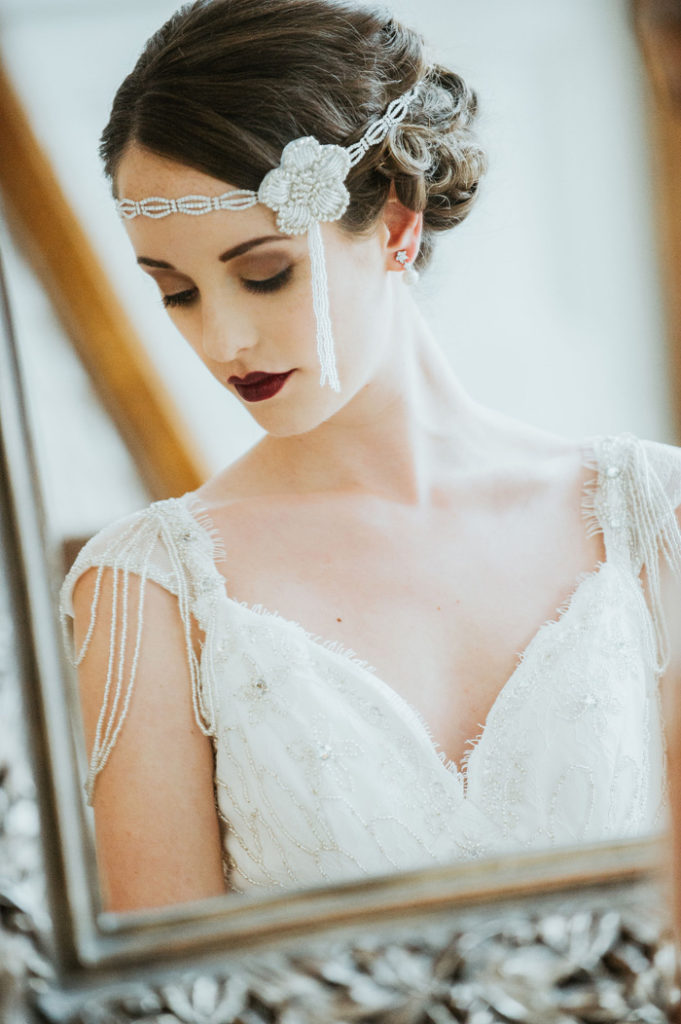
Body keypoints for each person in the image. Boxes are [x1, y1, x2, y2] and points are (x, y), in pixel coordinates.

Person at [60, 0, 681, 913]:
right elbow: (158, 995)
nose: (222, 339)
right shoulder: (148, 590)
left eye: (264, 272)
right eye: (177, 292)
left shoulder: (651, 516)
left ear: (396, 227)